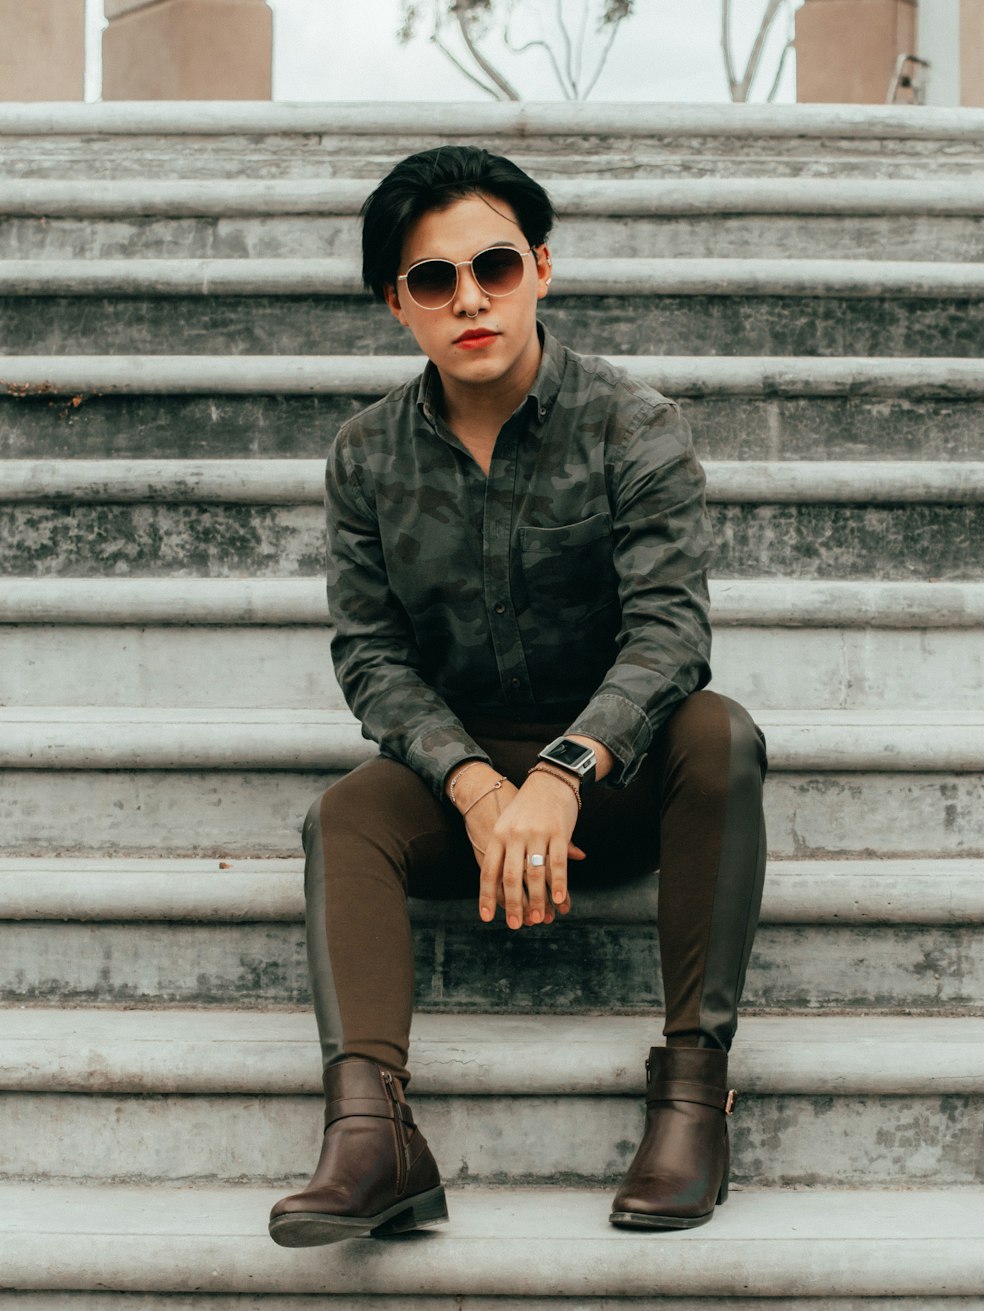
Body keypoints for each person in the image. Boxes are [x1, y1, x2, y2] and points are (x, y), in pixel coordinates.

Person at [268, 146, 767, 1248]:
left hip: (617, 777)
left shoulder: (633, 427)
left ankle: (694, 1095)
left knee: (719, 734)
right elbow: (372, 657)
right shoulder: (364, 458)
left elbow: (670, 633)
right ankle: (372, 1136)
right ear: (399, 304)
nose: (470, 298)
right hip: (463, 788)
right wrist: (476, 784)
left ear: (540, 266)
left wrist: (565, 769)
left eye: (493, 265)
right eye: (433, 280)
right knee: (345, 813)